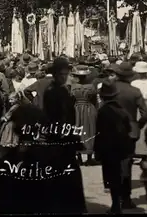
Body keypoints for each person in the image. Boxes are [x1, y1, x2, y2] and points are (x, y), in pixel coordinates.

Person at [42, 57, 86, 214]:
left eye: (66, 73)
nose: (64, 76)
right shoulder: (54, 92)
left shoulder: (60, 90)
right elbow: (57, 117)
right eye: (61, 74)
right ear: (54, 74)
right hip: (60, 137)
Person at [105, 62, 147, 208]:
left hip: (110, 131)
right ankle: (126, 199)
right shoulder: (135, 91)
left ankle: (115, 202)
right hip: (129, 132)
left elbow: (103, 110)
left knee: (111, 166)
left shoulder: (108, 89)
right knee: (126, 166)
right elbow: (144, 114)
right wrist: (137, 126)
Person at [94, 82, 132, 214]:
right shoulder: (122, 110)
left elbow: (99, 132)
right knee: (122, 174)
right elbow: (128, 128)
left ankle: (116, 205)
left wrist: (97, 150)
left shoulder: (103, 111)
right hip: (122, 146)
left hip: (108, 148)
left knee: (112, 176)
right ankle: (123, 201)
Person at [70, 65, 98, 165]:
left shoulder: (73, 87)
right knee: (90, 130)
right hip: (89, 108)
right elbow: (94, 100)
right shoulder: (91, 87)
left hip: (77, 108)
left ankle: (78, 157)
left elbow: (70, 99)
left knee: (77, 130)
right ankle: (89, 157)